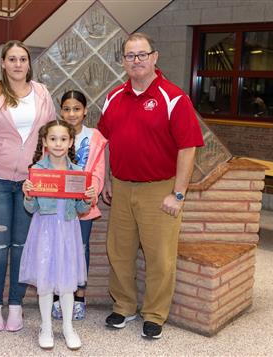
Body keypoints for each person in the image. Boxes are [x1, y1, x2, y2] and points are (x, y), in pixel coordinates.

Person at [97, 33, 204, 339]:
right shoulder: (113, 97)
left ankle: (155, 314)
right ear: (123, 62)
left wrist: (178, 193)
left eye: (142, 54)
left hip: (160, 189)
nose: (137, 61)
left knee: (160, 256)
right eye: (130, 56)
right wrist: (107, 177)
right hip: (121, 187)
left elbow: (188, 148)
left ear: (155, 57)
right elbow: (105, 141)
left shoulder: (175, 98)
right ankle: (124, 306)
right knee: (119, 251)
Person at [0, 40, 55, 332]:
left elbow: (51, 138)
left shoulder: (43, 94)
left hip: (30, 184)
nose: (18, 64)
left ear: (28, 64)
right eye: (12, 59)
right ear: (3, 63)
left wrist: (48, 177)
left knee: (21, 245)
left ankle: (17, 305)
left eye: (23, 59)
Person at [20, 120, 95, 350]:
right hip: (44, 230)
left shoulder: (77, 172)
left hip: (68, 231)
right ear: (44, 142)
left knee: (67, 282)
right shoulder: (38, 171)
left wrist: (87, 198)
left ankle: (68, 327)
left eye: (63, 139)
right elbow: (31, 209)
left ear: (71, 142)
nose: (58, 144)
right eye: (53, 139)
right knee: (44, 281)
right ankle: (45, 326)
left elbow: (82, 210)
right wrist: (29, 195)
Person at [52, 90, 107, 321]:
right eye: (66, 109)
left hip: (82, 207)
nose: (71, 113)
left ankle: (79, 296)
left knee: (81, 249)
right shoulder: (54, 134)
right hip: (56, 207)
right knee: (56, 248)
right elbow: (45, 166)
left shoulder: (94, 137)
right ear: (61, 111)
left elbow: (97, 171)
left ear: (85, 111)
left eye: (76, 109)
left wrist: (92, 192)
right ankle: (56, 297)